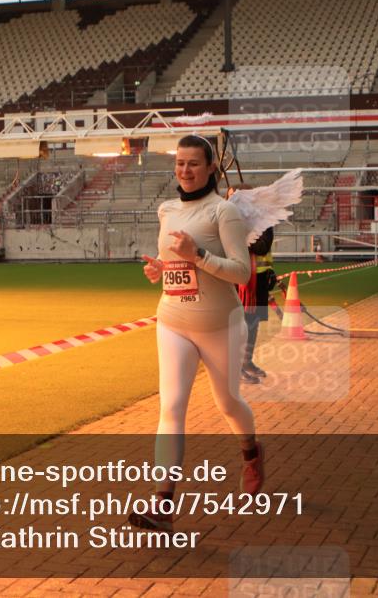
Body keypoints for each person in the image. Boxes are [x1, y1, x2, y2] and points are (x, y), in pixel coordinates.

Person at [134, 135, 264, 532]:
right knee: (171, 407)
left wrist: (199, 256)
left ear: (211, 167)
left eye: (193, 163)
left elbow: (241, 272)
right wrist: (160, 270)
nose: (185, 170)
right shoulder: (166, 209)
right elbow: (176, 267)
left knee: (228, 404)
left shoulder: (224, 212)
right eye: (179, 163)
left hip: (219, 324)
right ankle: (162, 501)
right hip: (173, 319)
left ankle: (251, 453)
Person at [227, 184, 275, 385]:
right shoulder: (226, 221)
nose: (233, 202)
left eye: (238, 198)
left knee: (252, 326)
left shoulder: (262, 222)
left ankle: (247, 363)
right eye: (230, 198)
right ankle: (234, 368)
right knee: (238, 326)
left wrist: (243, 232)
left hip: (258, 283)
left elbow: (263, 246)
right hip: (236, 281)